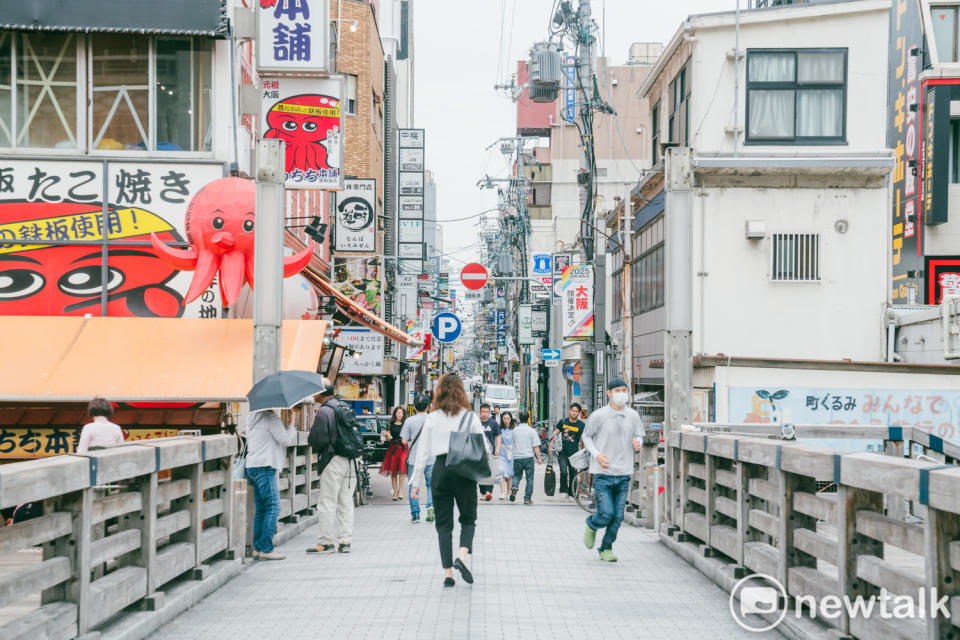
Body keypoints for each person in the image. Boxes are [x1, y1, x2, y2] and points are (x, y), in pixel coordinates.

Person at [411, 373, 489, 588]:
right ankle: (461, 557)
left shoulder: (432, 417)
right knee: (468, 519)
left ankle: (448, 573)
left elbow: (423, 452)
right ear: (462, 391)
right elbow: (484, 447)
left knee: (443, 524)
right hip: (464, 472)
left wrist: (415, 482)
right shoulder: (470, 417)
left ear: (440, 391)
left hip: (440, 470)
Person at [582, 377, 644, 562]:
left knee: (617, 517)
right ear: (609, 393)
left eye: (624, 390)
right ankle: (592, 524)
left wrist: (638, 443)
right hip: (603, 473)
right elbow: (587, 437)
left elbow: (639, 435)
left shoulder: (632, 415)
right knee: (606, 513)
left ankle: (606, 548)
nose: (621, 394)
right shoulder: (599, 415)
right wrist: (597, 454)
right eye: (617, 391)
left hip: (624, 473)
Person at [307, 379, 357, 554]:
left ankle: (325, 541)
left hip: (333, 459)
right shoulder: (344, 407)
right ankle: (345, 540)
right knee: (346, 501)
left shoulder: (324, 411)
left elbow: (316, 439)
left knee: (327, 501)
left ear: (320, 393)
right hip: (351, 461)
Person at [245, 407, 297, 560]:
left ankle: (258, 547)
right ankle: (266, 548)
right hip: (265, 466)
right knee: (274, 506)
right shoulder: (271, 419)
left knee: (262, 508)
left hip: (252, 466)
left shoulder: (251, 417)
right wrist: (291, 423)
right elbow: (286, 440)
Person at [401, 396, 433, 522]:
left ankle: (415, 514)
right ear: (428, 406)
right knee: (431, 485)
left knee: (413, 485)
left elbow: (404, 440)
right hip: (431, 458)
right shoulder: (433, 420)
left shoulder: (409, 421)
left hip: (414, 458)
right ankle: (431, 506)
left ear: (414, 407)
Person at [551, 403, 585, 498]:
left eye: (576, 411)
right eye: (573, 410)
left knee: (573, 473)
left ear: (579, 413)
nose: (574, 413)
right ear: (570, 411)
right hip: (562, 452)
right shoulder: (563, 422)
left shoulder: (581, 425)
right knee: (563, 471)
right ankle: (564, 491)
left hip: (574, 454)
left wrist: (584, 451)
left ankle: (572, 493)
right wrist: (550, 446)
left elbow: (583, 439)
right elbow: (555, 433)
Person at [510, 411, 542, 504]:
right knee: (530, 479)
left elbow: (512, 444)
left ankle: (515, 486)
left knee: (516, 476)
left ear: (519, 419)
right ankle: (527, 499)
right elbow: (535, 446)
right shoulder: (532, 431)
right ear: (528, 419)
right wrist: (539, 458)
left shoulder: (515, 430)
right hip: (528, 458)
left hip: (517, 457)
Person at [380, 406, 409, 500]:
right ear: (395, 414)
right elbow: (389, 438)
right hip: (393, 448)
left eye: (401, 413)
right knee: (393, 471)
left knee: (402, 470)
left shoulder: (406, 424)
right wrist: (387, 435)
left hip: (403, 448)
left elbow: (409, 437)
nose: (400, 415)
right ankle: (395, 492)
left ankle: (401, 491)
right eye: (398, 413)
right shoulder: (391, 424)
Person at [476, 403, 501, 501]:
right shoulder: (476, 423)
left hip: (491, 453)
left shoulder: (493, 423)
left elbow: (498, 436)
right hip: (478, 453)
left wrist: (498, 448)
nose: (484, 414)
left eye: (486, 412)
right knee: (480, 474)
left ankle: (489, 492)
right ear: (480, 412)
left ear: (489, 412)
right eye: (483, 412)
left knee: (491, 473)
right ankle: (482, 493)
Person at [497, 411, 515, 500]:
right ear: (502, 419)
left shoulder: (514, 429)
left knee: (510, 475)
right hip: (502, 453)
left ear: (510, 419)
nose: (506, 420)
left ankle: (509, 493)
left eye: (508, 418)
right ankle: (502, 493)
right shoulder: (499, 429)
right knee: (502, 473)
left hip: (512, 453)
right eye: (504, 418)